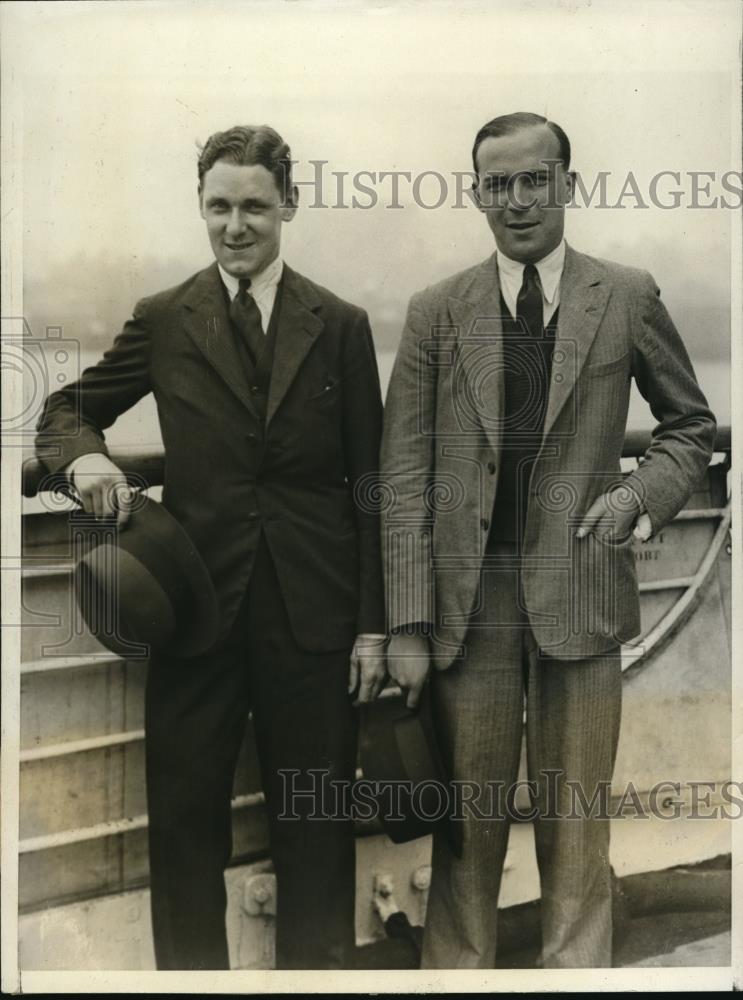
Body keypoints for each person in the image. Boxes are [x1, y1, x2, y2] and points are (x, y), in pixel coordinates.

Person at [35, 124, 388, 970]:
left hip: (314, 619)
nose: (236, 225)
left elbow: (371, 486)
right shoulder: (165, 318)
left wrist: (375, 626)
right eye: (219, 206)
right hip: (193, 614)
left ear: (289, 207)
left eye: (254, 208)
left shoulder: (338, 323)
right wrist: (85, 458)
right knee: (186, 834)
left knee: (316, 828)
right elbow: (66, 410)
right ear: (201, 208)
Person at [380, 112, 716, 969]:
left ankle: (578, 979)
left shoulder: (626, 295)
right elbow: (405, 478)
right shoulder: (433, 313)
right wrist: (410, 623)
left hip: (581, 589)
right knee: (468, 823)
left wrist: (636, 497)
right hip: (469, 607)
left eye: (535, 180)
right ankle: (455, 980)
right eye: (499, 184)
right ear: (477, 194)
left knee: (577, 819)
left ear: (567, 183)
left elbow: (688, 426)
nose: (518, 200)